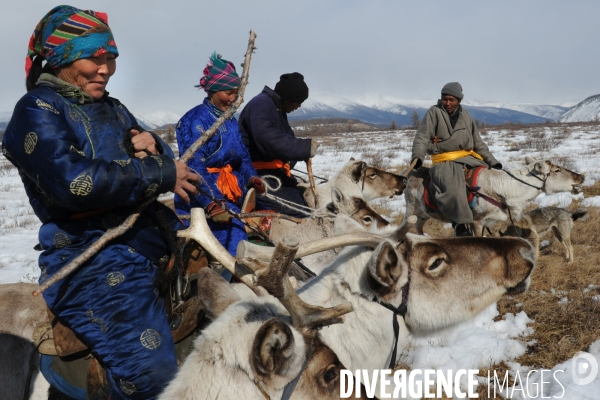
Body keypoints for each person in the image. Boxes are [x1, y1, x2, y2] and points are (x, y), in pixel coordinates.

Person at [3, 6, 200, 399]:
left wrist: (154, 148)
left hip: (153, 239)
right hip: (91, 256)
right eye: (95, 57)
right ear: (60, 58)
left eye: (110, 58)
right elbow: (73, 182)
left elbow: (147, 151)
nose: (105, 69)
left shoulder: (111, 106)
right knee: (154, 375)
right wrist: (160, 172)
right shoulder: (37, 111)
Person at [174, 52, 264, 258]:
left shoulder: (229, 120)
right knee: (236, 235)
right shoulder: (195, 120)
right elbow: (194, 167)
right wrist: (213, 203)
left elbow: (242, 157)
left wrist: (252, 177)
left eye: (236, 92)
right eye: (228, 92)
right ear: (213, 91)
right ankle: (229, 280)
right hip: (199, 199)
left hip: (233, 193)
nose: (233, 98)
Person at [411, 82, 502, 237]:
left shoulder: (466, 116)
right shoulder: (434, 112)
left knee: (486, 182)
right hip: (444, 161)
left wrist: (492, 162)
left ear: (459, 100)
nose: (447, 103)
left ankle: (483, 217)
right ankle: (459, 224)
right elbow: (422, 137)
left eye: (451, 100)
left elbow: (477, 142)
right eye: (444, 99)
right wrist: (417, 157)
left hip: (468, 158)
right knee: (452, 187)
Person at [238, 72, 319, 218]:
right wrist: (304, 147)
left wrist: (290, 160)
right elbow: (267, 138)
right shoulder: (262, 104)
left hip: (273, 174)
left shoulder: (276, 108)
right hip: (258, 176)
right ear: (289, 98)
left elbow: (283, 138)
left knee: (305, 204)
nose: (299, 105)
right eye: (298, 101)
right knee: (300, 213)